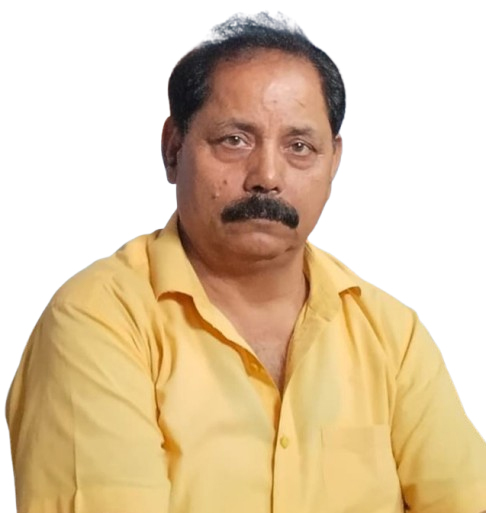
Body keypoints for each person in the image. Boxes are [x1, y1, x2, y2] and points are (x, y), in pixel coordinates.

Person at [6, 12, 486, 513]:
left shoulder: (391, 335)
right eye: (234, 140)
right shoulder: (97, 318)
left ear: (334, 162)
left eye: (299, 147)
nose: (267, 176)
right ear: (173, 148)